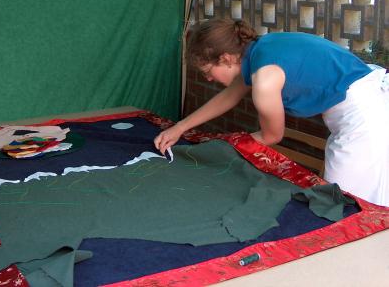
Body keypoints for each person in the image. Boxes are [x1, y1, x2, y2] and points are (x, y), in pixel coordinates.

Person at [154, 18, 389, 207]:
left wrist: (221, 148)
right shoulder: (259, 50)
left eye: (207, 71)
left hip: (364, 115)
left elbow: (271, 136)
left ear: (225, 58)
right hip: (362, 101)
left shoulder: (264, 80)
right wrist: (181, 127)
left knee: (343, 201)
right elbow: (230, 96)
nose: (207, 79)